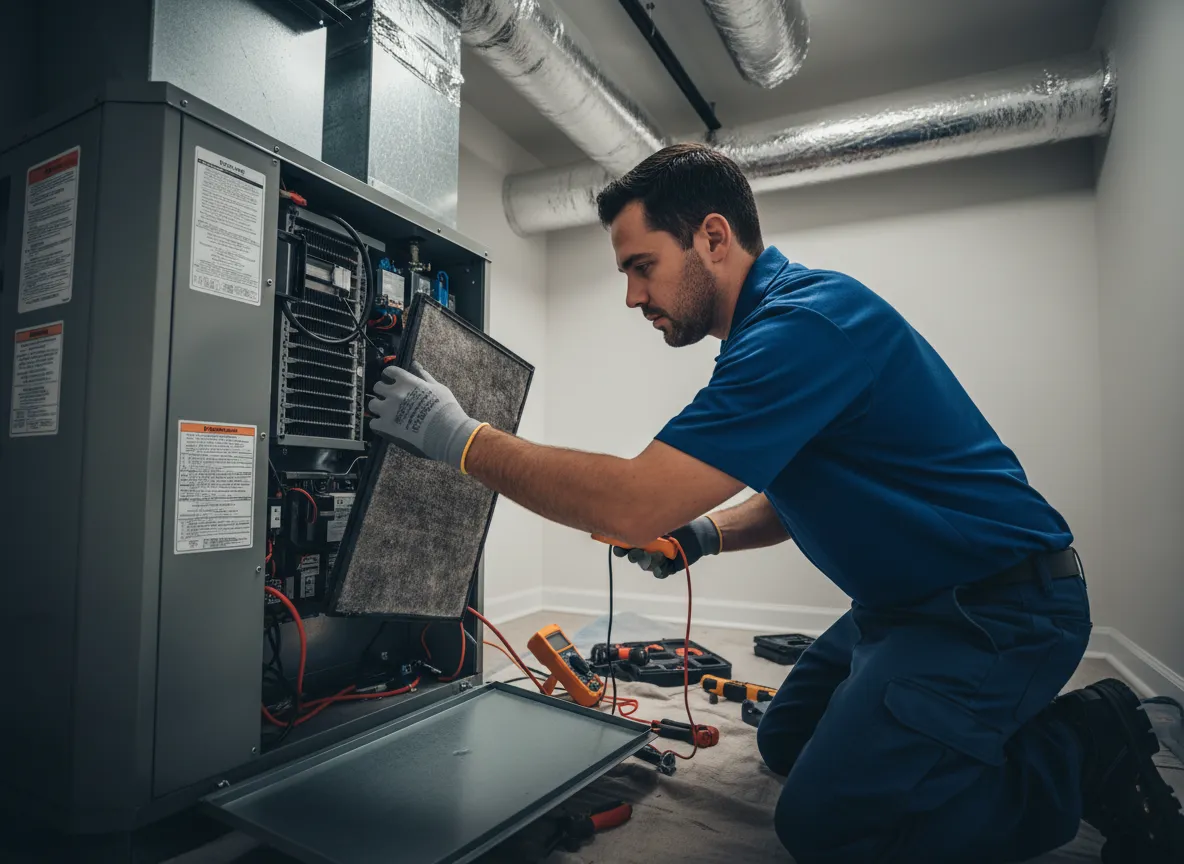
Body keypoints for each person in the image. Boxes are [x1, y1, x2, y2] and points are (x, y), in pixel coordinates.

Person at [368, 143, 1183, 863]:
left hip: (999, 611)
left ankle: (1085, 751)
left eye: (641, 266)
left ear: (713, 238)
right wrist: (700, 536)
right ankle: (953, 732)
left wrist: (457, 436)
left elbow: (630, 502)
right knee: (787, 739)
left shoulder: (804, 328)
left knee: (829, 829)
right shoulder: (772, 334)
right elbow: (805, 489)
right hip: (900, 608)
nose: (632, 297)